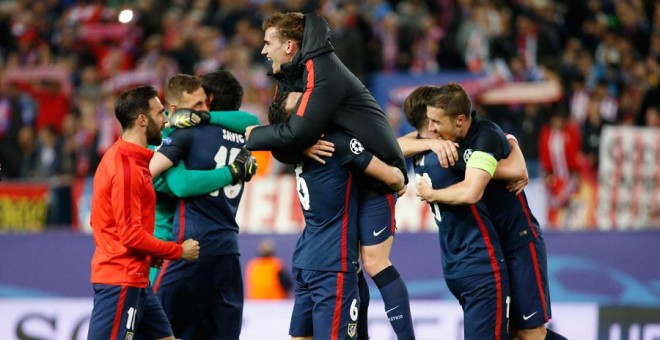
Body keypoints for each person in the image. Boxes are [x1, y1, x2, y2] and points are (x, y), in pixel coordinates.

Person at [247, 12, 415, 339]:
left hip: (374, 175)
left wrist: (258, 136)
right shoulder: (294, 79)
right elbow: (289, 133)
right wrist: (297, 143)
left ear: (290, 45)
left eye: (268, 42)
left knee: (374, 261)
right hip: (348, 177)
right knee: (353, 265)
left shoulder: (321, 72)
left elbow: (294, 132)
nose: (263, 50)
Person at [414, 83, 567, 340]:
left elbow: (471, 191)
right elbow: (402, 144)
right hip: (495, 249)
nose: (431, 129)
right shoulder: (450, 140)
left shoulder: (485, 138)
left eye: (436, 122)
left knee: (530, 333)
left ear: (460, 120)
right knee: (509, 332)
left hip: (518, 241)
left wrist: (432, 195)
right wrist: (513, 146)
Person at [270, 90, 405, 340]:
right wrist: (398, 181)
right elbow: (394, 177)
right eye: (302, 105)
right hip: (333, 264)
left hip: (305, 258)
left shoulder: (292, 148)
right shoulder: (337, 144)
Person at [149, 73, 256, 339]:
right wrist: (232, 171)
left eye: (204, 104)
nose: (202, 111)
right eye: (196, 107)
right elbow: (181, 185)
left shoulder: (191, 135)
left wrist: (204, 118)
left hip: (186, 249)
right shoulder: (165, 138)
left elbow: (251, 120)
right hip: (163, 252)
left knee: (162, 331)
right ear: (173, 110)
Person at [87, 85, 200, 340]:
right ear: (141, 120)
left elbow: (102, 221)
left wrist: (149, 257)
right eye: (160, 113)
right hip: (121, 281)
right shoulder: (126, 168)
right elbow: (130, 236)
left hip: (136, 277)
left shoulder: (130, 160)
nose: (165, 120)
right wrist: (178, 251)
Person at [403, 86, 510, 340]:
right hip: (482, 265)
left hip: (453, 265)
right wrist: (513, 146)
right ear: (430, 125)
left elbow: (390, 146)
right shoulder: (451, 154)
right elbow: (511, 171)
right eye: (436, 121)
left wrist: (427, 142)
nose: (439, 127)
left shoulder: (418, 154)